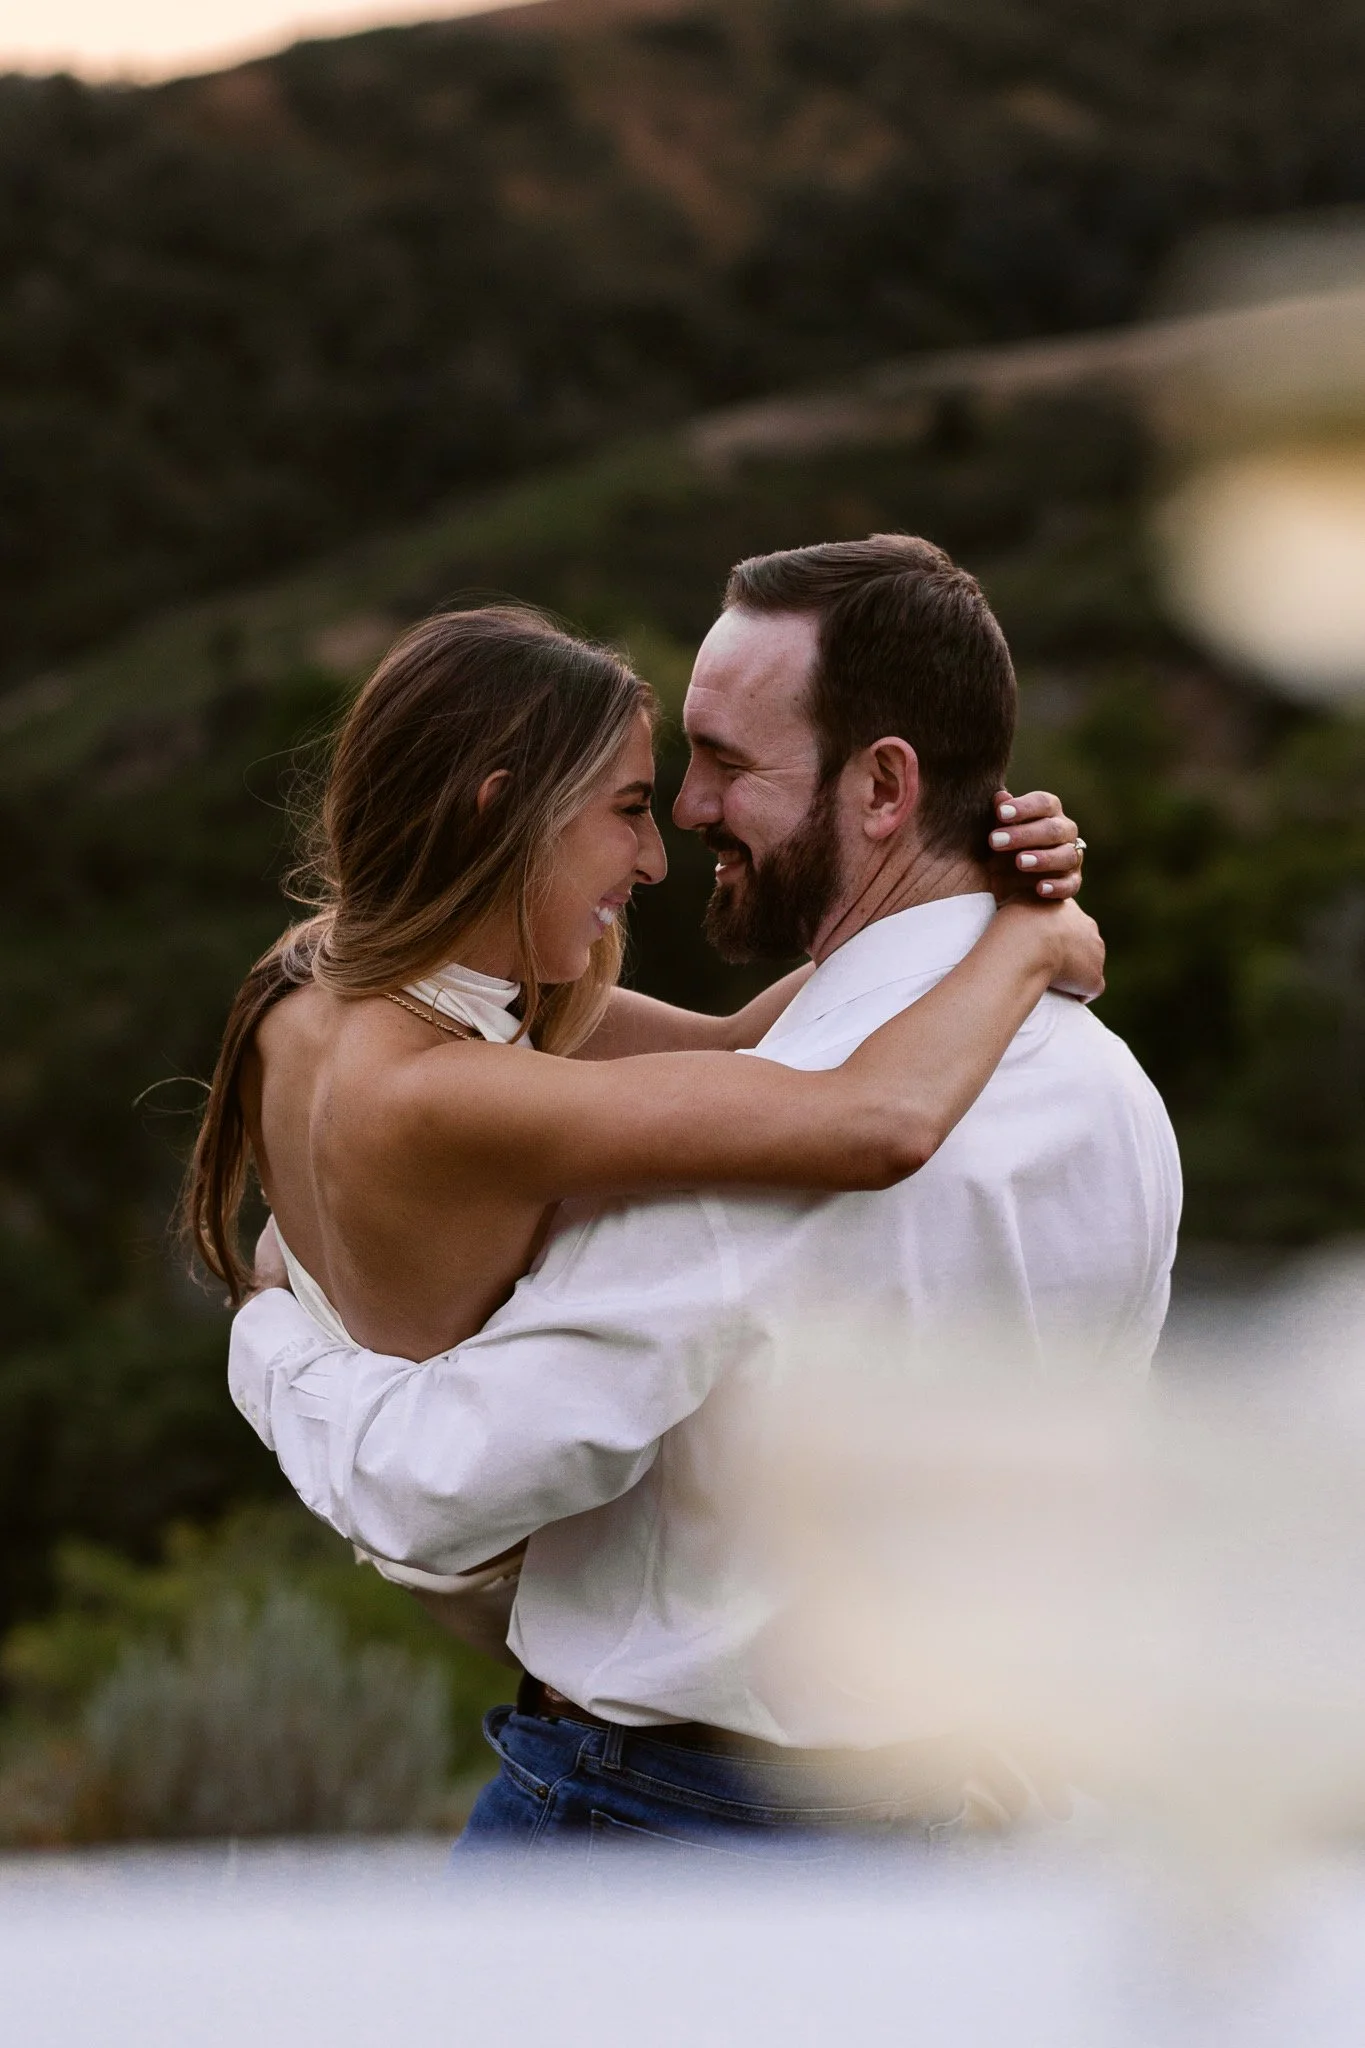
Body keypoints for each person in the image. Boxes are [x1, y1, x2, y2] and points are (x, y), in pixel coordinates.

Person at [226, 536, 1181, 1856]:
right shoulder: (1112, 1092)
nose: (681, 817)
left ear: (885, 787)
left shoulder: (731, 1165)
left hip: (656, 1837)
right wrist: (1016, 928)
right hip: (966, 1834)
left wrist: (267, 1332)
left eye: (724, 764)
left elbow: (433, 1488)